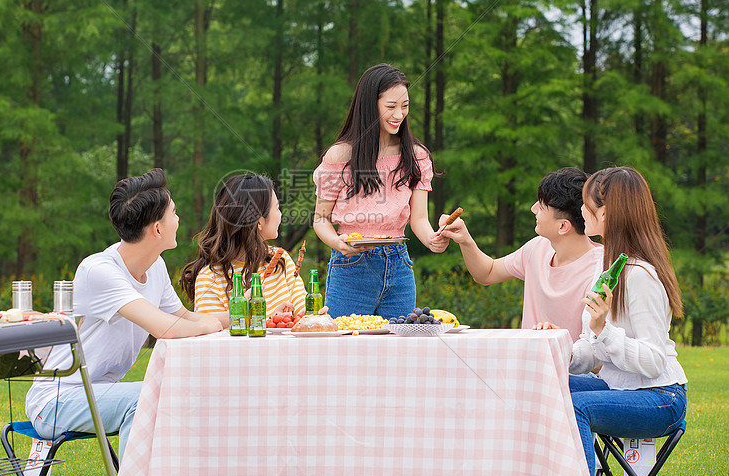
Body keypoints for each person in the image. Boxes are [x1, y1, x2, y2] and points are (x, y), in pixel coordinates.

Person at [25, 169, 222, 462]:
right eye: (174, 213)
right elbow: (165, 328)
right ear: (157, 229)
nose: (178, 220)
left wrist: (257, 315)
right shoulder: (99, 271)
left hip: (101, 392)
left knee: (166, 393)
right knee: (144, 398)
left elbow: (183, 316)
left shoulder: (154, 266)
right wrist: (211, 323)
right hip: (57, 399)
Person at [535, 166, 687, 476]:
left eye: (587, 204)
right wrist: (562, 346)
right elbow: (591, 351)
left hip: (661, 398)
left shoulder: (640, 275)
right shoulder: (606, 265)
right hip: (621, 386)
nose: (580, 209)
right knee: (541, 384)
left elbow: (654, 361)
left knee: (577, 407)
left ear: (606, 213)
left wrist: (604, 329)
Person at [312, 63, 449, 319]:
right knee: (347, 347)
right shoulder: (340, 155)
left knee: (398, 351)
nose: (399, 114)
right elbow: (320, 219)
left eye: (405, 106)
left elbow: (419, 219)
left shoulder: (417, 156)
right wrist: (337, 243)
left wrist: (432, 239)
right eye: (390, 107)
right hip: (351, 267)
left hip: (399, 265)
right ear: (369, 105)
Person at [437, 167, 602, 342]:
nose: (533, 209)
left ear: (562, 226)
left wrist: (558, 340)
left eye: (542, 206)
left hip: (574, 368)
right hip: (530, 364)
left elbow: (597, 350)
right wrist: (465, 240)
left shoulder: (601, 269)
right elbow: (487, 273)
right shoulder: (538, 248)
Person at [180, 173, 306, 320]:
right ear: (259, 222)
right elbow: (211, 337)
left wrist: (314, 316)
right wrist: (268, 321)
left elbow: (302, 313)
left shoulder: (280, 260)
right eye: (277, 208)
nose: (280, 214)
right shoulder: (211, 278)